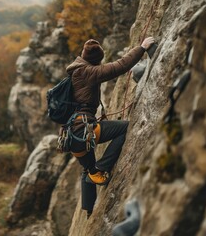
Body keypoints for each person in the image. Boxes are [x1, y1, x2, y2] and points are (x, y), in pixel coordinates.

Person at [65, 37, 155, 215]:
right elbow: (120, 66)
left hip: (72, 137)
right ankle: (101, 168)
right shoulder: (88, 71)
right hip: (84, 132)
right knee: (126, 128)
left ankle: (89, 211)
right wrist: (142, 48)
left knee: (88, 170)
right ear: (97, 60)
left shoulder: (76, 69)